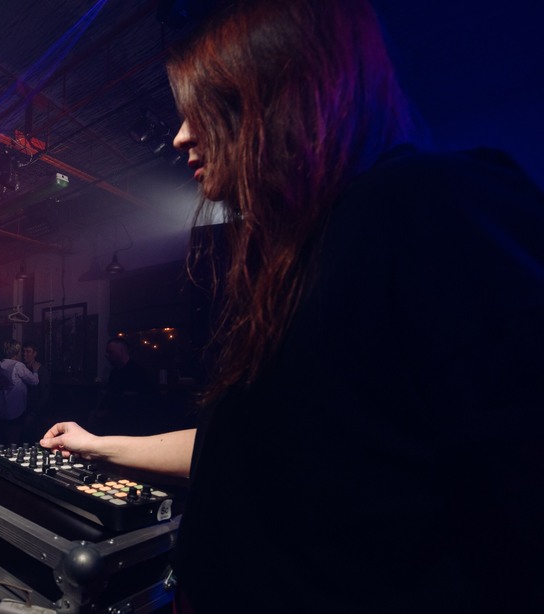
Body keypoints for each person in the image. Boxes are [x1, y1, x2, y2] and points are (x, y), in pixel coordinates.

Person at [41, 1, 544, 611]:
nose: (180, 136)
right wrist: (97, 444)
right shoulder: (305, 255)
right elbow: (244, 447)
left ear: (274, 92)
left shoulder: (430, 206)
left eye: (201, 109)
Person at [88, 337, 157, 436]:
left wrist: (104, 413)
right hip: (116, 422)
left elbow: (129, 403)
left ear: (122, 351)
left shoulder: (136, 372)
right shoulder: (115, 372)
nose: (106, 355)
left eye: (110, 352)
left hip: (130, 425)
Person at [0, 339, 38, 445]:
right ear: (16, 352)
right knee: (14, 440)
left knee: (2, 440)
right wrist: (36, 371)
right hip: (15, 410)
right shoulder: (18, 366)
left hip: (1, 409)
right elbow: (34, 381)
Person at [21, 341, 51, 440]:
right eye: (23, 351)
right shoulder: (22, 369)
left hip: (36, 413)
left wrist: (34, 413)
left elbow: (44, 395)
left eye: (28, 351)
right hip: (22, 411)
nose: (24, 354)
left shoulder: (42, 371)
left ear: (34, 353)